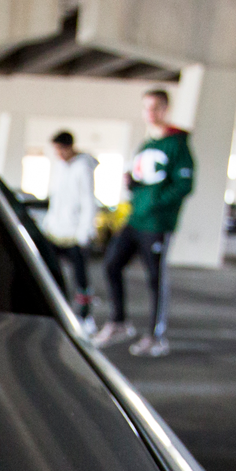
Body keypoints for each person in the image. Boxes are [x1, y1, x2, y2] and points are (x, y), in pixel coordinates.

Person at [94, 89, 195, 357]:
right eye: (146, 108)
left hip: (157, 223)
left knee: (156, 279)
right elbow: (144, 179)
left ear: (165, 109)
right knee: (112, 264)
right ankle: (118, 322)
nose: (150, 113)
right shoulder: (146, 145)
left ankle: (156, 336)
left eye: (156, 107)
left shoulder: (177, 144)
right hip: (135, 219)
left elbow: (184, 184)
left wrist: (155, 202)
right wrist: (133, 184)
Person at [40, 131, 99, 326]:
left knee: (80, 277)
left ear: (69, 147)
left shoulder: (83, 168)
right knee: (50, 271)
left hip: (75, 234)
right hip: (55, 231)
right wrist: (48, 222)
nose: (58, 154)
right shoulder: (59, 167)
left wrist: (84, 231)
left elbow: (88, 201)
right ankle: (55, 309)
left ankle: (85, 316)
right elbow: (55, 198)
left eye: (60, 150)